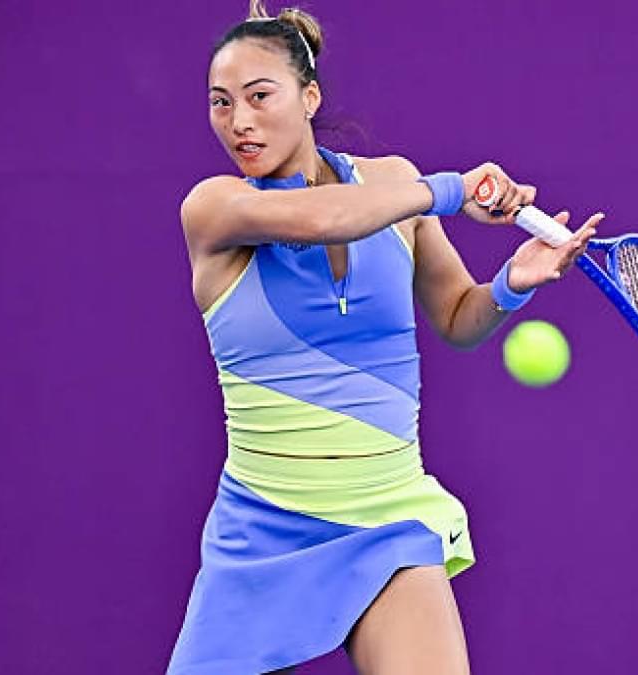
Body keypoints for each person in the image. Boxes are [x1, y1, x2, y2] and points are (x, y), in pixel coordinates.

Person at [167, 2, 601, 673]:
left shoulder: (397, 185)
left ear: (309, 97)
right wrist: (449, 190)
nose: (239, 121)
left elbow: (458, 315)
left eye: (259, 96)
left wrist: (511, 284)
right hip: (261, 532)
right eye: (220, 102)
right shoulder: (215, 208)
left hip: (387, 517)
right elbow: (321, 219)